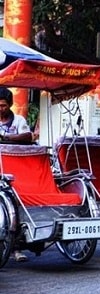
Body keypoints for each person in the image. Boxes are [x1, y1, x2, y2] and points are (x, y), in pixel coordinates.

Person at [0, 87, 33, 262]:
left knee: (15, 200)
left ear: (10, 105)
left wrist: (6, 138)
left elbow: (28, 136)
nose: (0, 109)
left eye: (3, 105)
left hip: (16, 167)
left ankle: (16, 248)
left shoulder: (18, 120)